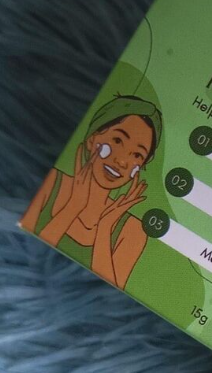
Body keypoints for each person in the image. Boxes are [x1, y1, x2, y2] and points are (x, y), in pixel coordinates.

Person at [21, 95, 162, 289]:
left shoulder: (133, 230)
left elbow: (108, 292)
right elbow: (32, 262)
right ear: (92, 138)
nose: (122, 161)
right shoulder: (52, 186)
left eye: (137, 154)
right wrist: (73, 207)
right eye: (118, 140)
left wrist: (105, 227)